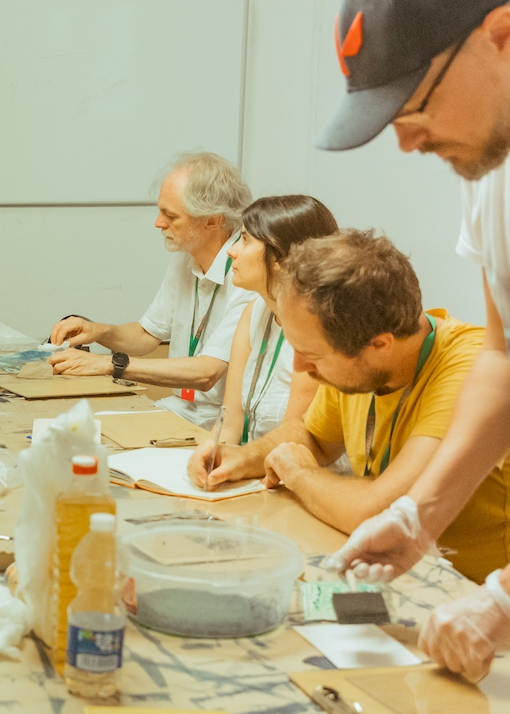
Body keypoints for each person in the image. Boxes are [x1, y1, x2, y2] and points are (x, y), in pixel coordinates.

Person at [314, 0, 510, 678]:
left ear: (502, 36)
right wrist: (418, 515)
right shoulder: (490, 176)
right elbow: (502, 359)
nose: (406, 142)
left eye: (414, 103)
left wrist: (502, 601)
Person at [192, 230, 510, 585]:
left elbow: (379, 511)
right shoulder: (360, 363)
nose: (299, 368)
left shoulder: (471, 370)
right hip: (396, 568)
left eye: (311, 356)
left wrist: (298, 474)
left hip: (474, 592)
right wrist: (243, 458)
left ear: (380, 345)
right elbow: (313, 436)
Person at [47, 152, 253, 425]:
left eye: (170, 215)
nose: (158, 223)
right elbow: (146, 335)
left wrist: (109, 365)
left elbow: (207, 373)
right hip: (182, 408)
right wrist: (98, 331)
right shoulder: (185, 254)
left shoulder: (247, 269)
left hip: (225, 425)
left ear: (212, 220)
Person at [189, 193, 337, 473]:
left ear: (282, 256)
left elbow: (295, 442)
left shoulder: (320, 327)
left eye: (244, 240)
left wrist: (238, 465)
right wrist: (209, 454)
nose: (232, 250)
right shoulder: (254, 311)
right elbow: (230, 421)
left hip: (300, 478)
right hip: (253, 471)